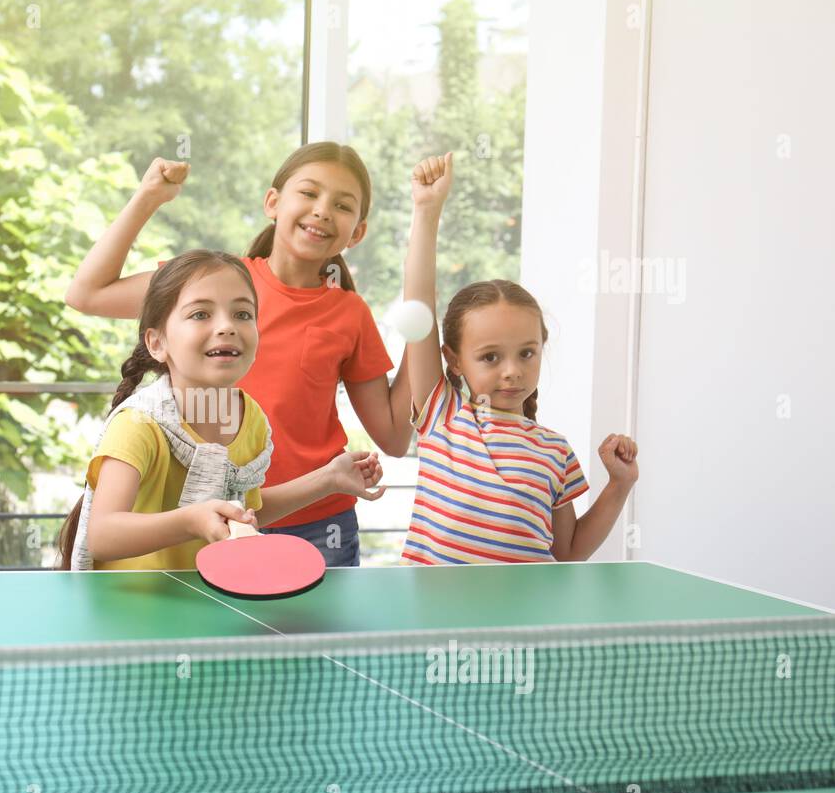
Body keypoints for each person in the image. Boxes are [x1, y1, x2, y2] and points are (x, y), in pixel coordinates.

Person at [65, 143, 412, 566]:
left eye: (341, 205)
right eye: (308, 193)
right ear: (272, 202)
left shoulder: (344, 318)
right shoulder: (214, 281)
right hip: (208, 523)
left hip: (313, 524)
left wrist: (419, 336)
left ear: (357, 232)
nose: (322, 211)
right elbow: (86, 293)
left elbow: (394, 436)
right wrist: (149, 197)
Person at [57, 249, 383, 571]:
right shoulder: (139, 424)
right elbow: (103, 535)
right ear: (157, 343)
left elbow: (241, 511)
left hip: (201, 608)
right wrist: (191, 520)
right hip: (130, 614)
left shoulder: (249, 418)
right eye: (200, 314)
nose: (227, 326)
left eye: (242, 314)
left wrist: (330, 478)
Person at [399, 152, 639, 564]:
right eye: (490, 357)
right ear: (454, 361)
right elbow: (418, 304)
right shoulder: (443, 416)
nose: (512, 371)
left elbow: (568, 553)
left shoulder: (555, 451)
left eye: (527, 353)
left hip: (517, 627)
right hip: (434, 622)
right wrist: (426, 211)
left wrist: (619, 484)